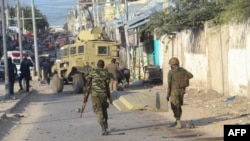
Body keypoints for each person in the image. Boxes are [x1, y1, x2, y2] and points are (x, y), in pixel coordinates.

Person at [83, 59, 113, 135]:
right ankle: (105, 126)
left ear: (97, 65)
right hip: (104, 94)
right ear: (103, 65)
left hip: (95, 95)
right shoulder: (106, 73)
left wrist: (85, 93)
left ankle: (103, 128)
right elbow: (107, 86)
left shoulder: (93, 72)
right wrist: (109, 97)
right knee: (104, 110)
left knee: (98, 110)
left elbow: (88, 82)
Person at [166, 57, 193, 129]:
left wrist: (168, 95)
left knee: (174, 106)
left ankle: (178, 123)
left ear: (171, 65)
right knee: (179, 105)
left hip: (174, 91)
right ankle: (177, 120)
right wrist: (183, 78)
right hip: (182, 91)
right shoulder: (183, 70)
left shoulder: (170, 72)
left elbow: (169, 85)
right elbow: (191, 75)